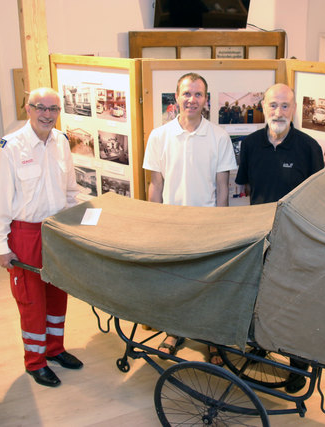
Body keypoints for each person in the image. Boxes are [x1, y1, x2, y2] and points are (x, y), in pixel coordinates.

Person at [0, 87, 83, 388]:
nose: (47, 114)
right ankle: (35, 362)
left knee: (57, 295)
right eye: (40, 107)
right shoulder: (9, 148)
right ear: (27, 109)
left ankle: (55, 350)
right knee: (31, 302)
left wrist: (77, 227)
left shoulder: (62, 142)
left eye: (53, 109)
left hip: (56, 232)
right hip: (25, 235)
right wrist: (1, 245)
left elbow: (70, 191)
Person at [235, 83, 324, 393]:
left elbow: (318, 195)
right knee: (260, 297)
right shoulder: (249, 145)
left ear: (294, 109)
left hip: (297, 240)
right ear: (263, 106)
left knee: (293, 303)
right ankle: (261, 347)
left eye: (285, 106)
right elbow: (247, 189)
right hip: (261, 235)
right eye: (273, 105)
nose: (278, 112)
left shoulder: (309, 148)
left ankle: (298, 366)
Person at [142, 72, 237, 365]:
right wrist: (153, 223)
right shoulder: (159, 136)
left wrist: (220, 229)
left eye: (198, 94)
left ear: (206, 100)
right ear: (176, 97)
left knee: (210, 286)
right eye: (186, 94)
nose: (192, 100)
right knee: (175, 284)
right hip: (172, 224)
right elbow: (155, 185)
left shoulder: (219, 137)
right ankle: (173, 332)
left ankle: (212, 339)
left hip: (207, 225)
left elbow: (223, 188)